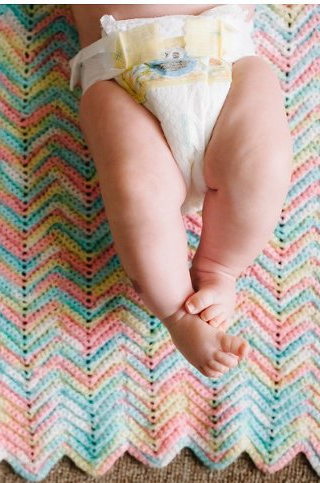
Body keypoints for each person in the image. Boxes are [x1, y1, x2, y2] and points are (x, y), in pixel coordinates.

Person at [69, 4, 293, 378]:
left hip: (230, 63)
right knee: (138, 188)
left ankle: (220, 268)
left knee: (264, 163)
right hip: (119, 74)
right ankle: (177, 313)